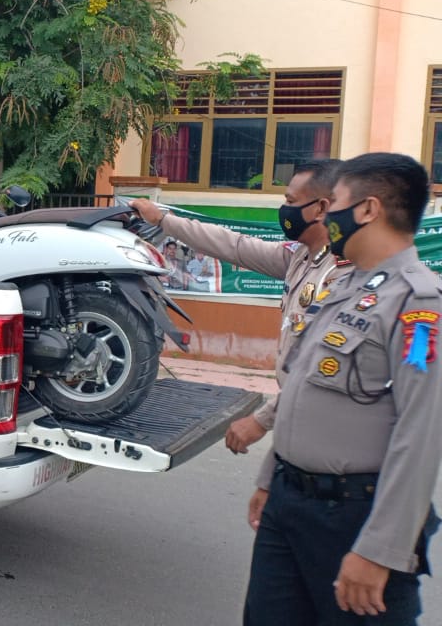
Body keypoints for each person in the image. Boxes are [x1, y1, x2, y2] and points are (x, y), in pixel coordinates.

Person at [242, 153, 442, 625]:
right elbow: (301, 390)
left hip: (352, 515)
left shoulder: (418, 306)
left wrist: (381, 550)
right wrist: (271, 477)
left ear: (368, 210)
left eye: (333, 205)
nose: (323, 216)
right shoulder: (344, 285)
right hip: (288, 505)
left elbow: (422, 431)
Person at [131, 160, 350, 455]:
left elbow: (318, 370)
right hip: (297, 425)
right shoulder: (301, 257)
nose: (285, 210)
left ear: (321, 208)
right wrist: (163, 221)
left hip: (330, 435)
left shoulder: (340, 273)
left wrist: (260, 421)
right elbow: (234, 246)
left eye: (290, 201)